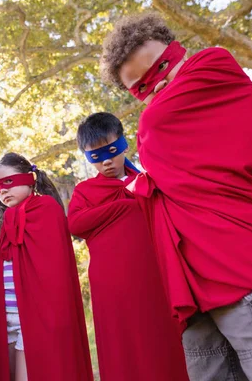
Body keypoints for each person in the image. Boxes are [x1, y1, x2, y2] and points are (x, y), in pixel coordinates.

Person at [99, 12, 252, 380]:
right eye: (141, 87)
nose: (158, 84)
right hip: (200, 299)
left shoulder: (213, 67)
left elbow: (159, 126)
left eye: (161, 66)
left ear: (177, 51)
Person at [68, 111, 189, 381]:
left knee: (164, 338)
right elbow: (75, 224)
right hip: (113, 284)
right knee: (124, 345)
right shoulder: (85, 191)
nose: (107, 161)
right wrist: (123, 206)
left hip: (155, 275)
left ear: (124, 143)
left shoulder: (149, 179)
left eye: (111, 150)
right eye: (96, 157)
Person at [0, 153, 93, 381]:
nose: (2, 191)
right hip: (7, 314)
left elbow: (53, 270)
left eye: (8, 182)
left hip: (36, 316)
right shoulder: (7, 218)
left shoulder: (46, 208)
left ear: (29, 178)